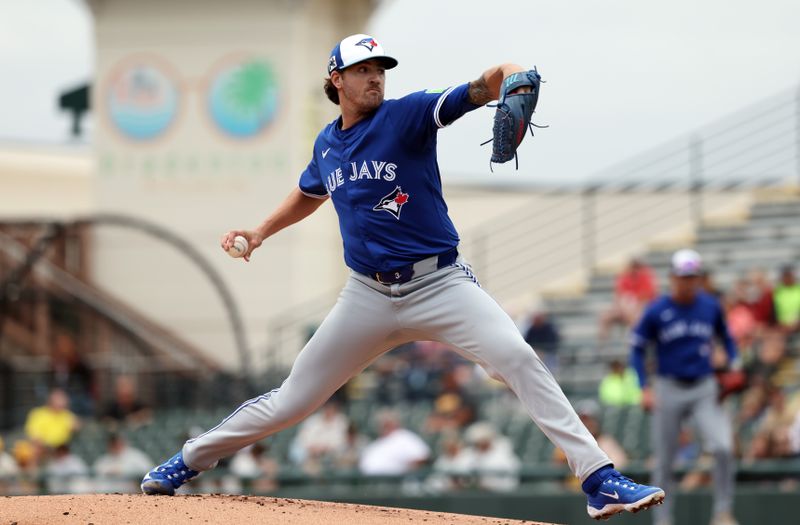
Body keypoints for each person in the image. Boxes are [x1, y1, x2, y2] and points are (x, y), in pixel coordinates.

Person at [141, 33, 664, 520]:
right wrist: (259, 232)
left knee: (518, 359)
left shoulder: (407, 115)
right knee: (293, 400)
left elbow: (481, 88)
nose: (375, 77)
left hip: (440, 284)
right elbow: (309, 192)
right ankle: (187, 461)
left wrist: (512, 72)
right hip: (366, 295)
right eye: (362, 69)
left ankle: (598, 478)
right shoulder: (327, 145)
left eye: (380, 69)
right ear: (335, 80)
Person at [630, 249, 738, 525]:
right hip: (669, 386)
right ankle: (662, 520)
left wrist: (732, 361)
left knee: (723, 446)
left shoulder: (710, 306)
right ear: (672, 278)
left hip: (703, 386)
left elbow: (727, 338)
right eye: (683, 276)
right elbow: (637, 349)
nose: (688, 281)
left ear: (699, 278)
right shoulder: (657, 309)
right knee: (665, 458)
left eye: (692, 277)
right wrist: (644, 387)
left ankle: (722, 513)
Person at [599, 257, 657, 341]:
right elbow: (619, 297)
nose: (634, 270)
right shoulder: (624, 277)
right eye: (632, 267)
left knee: (634, 313)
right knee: (604, 317)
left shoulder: (646, 276)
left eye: (636, 267)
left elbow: (646, 296)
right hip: (624, 309)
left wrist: (633, 304)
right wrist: (622, 307)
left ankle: (636, 339)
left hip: (641, 309)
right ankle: (603, 346)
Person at [358, 409, 430, 476]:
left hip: (396, 483)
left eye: (387, 423)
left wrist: (407, 472)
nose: (384, 426)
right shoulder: (379, 441)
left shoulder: (404, 436)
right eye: (382, 423)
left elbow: (422, 456)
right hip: (370, 482)